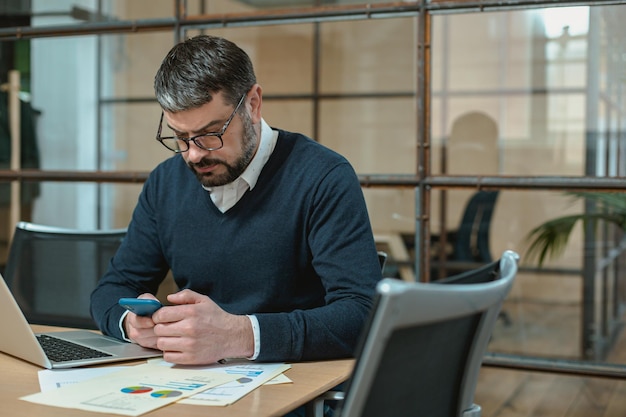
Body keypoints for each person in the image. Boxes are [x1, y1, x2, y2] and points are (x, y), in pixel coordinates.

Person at [90, 35, 382, 366]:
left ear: (253, 104)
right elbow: (111, 290)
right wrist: (131, 323)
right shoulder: (166, 182)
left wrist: (237, 335)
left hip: (292, 387)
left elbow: (362, 314)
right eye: (181, 137)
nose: (194, 155)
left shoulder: (322, 177)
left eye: (211, 133)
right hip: (192, 382)